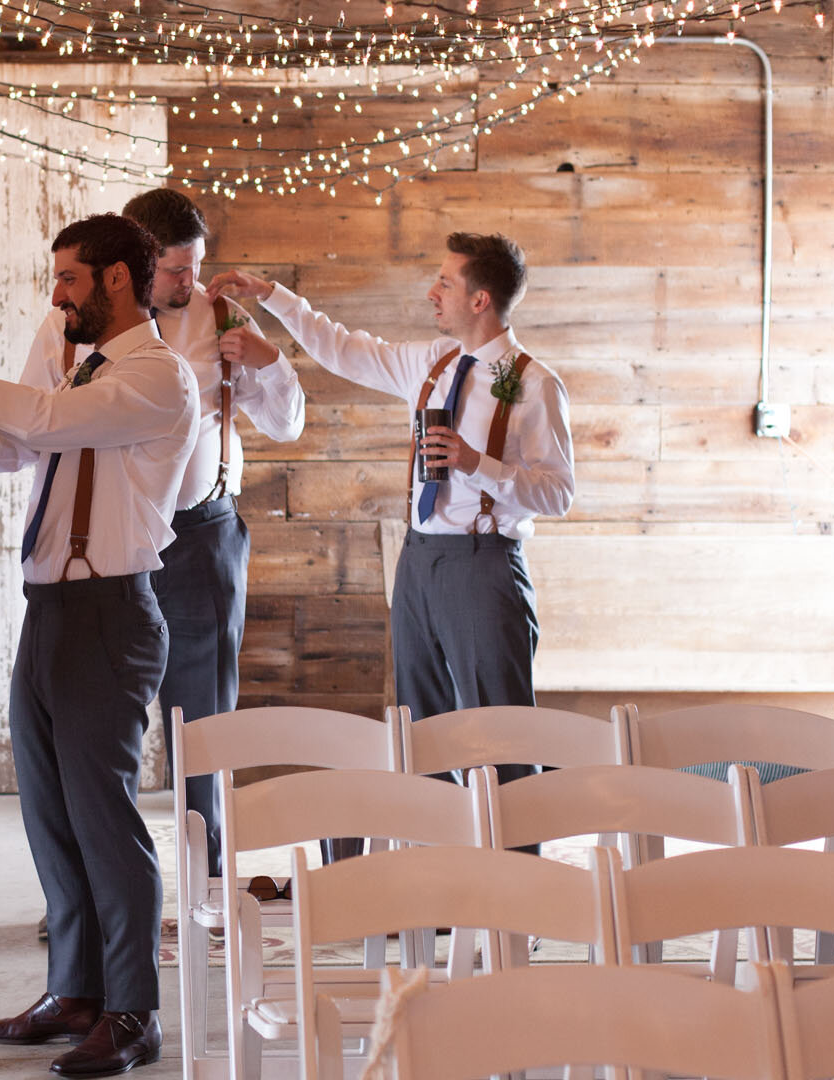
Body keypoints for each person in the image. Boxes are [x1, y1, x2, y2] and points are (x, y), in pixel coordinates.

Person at [0, 213, 198, 1080]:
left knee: (104, 817)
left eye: (67, 278)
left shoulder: (159, 377)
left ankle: (132, 1010)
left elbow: (42, 415)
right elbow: (15, 437)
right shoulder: (67, 345)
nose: (54, 293)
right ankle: (74, 990)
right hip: (48, 605)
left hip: (111, 610)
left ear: (113, 279)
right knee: (48, 808)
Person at [213, 233, 573, 852]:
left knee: (499, 727)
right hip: (420, 560)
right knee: (423, 726)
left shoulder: (535, 384)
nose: (433, 292)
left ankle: (519, 888)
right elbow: (344, 349)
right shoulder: (432, 362)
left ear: (481, 299)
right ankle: (434, 881)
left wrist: (476, 463)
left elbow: (558, 493)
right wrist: (270, 295)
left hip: (484, 565)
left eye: (446, 283)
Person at [100, 188, 306, 878]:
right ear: (135, 259)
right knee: (105, 719)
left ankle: (207, 875)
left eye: (194, 268)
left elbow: (286, 425)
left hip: (203, 535)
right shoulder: (89, 320)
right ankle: (105, 883)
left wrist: (269, 360)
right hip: (115, 537)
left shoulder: (221, 318)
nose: (189, 283)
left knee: (206, 716)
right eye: (175, 271)